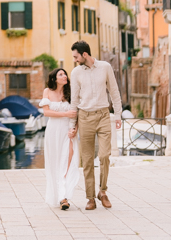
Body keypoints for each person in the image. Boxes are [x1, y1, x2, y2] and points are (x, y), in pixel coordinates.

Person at [70, 41, 123, 211]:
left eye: (76, 56)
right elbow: (74, 100)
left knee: (105, 155)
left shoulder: (105, 67)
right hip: (84, 117)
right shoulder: (76, 72)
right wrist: (73, 124)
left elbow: (114, 91)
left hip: (103, 115)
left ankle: (103, 191)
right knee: (86, 159)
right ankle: (91, 197)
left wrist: (119, 115)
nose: (75, 60)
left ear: (85, 55)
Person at [39, 68, 80, 210]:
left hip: (67, 132)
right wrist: (65, 113)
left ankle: (65, 195)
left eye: (65, 74)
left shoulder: (71, 92)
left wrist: (74, 129)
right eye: (61, 74)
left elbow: (76, 113)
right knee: (55, 163)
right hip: (53, 131)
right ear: (54, 79)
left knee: (68, 162)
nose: (65, 76)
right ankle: (61, 197)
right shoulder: (47, 92)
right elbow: (46, 112)